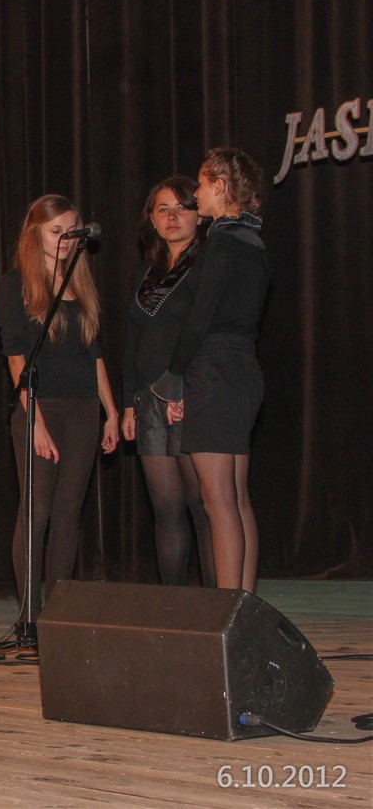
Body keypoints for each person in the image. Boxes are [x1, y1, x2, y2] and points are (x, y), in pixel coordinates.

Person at [0, 194, 119, 631]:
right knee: (37, 510)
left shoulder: (80, 284)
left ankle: (57, 615)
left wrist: (110, 411)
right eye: (56, 231)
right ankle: (29, 615)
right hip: (39, 407)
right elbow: (16, 358)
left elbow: (94, 354)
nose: (65, 239)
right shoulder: (16, 284)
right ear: (35, 233)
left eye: (71, 230)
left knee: (69, 512)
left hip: (83, 409)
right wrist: (35, 421)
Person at [151, 148, 270, 591]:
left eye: (201, 185)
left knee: (217, 500)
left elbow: (200, 317)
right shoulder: (253, 240)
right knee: (235, 497)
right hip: (242, 369)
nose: (195, 194)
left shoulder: (221, 240)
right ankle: (243, 604)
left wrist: (174, 376)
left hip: (214, 370)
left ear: (220, 187)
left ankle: (229, 608)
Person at [121, 177, 214, 586]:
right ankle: (173, 604)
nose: (172, 217)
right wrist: (128, 404)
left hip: (189, 394)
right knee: (166, 509)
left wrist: (191, 389)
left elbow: (208, 334)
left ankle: (216, 604)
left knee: (202, 506)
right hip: (148, 400)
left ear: (199, 215)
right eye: (163, 209)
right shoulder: (146, 272)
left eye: (182, 207)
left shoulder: (207, 264)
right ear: (152, 219)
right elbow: (132, 340)